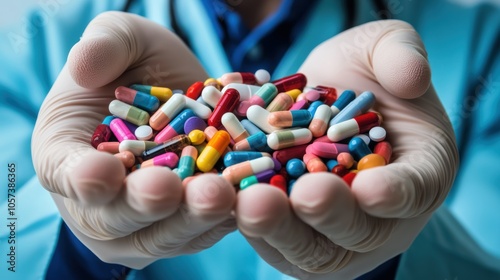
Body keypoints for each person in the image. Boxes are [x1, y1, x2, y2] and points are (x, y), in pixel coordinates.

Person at [0, 0, 499, 279]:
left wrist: (389, 246)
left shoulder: (485, 43)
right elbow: (9, 251)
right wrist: (80, 249)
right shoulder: (24, 47)